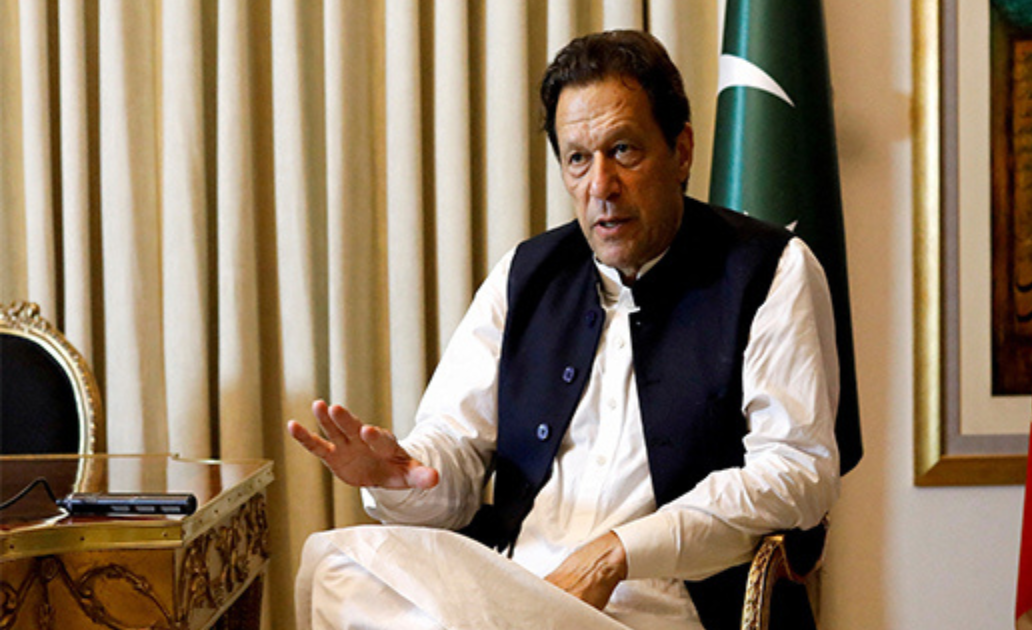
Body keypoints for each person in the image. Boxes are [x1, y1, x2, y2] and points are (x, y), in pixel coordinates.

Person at [289, 29, 840, 630]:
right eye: (578, 158)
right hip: (520, 595)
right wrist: (399, 479)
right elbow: (453, 453)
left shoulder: (769, 269)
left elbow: (797, 473)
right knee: (336, 563)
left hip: (658, 609)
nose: (600, 187)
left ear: (681, 151)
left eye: (623, 150)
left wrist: (618, 553)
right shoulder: (525, 274)